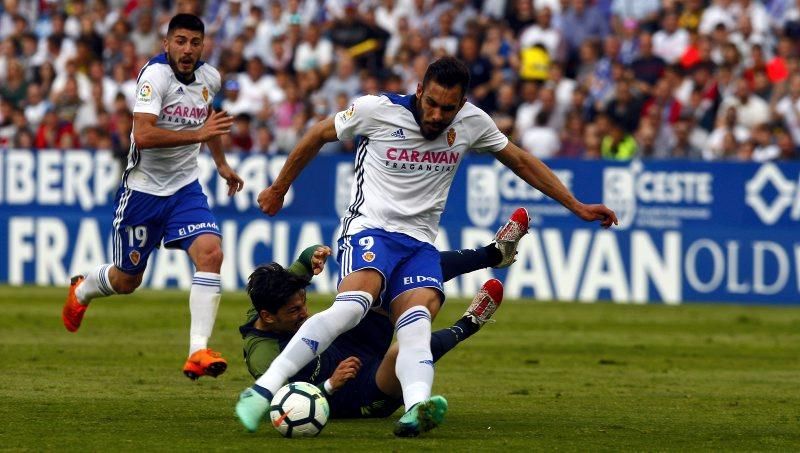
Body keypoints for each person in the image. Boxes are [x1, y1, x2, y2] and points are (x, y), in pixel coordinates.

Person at [238, 56, 617, 437]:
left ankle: (417, 408)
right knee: (353, 307)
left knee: (416, 323)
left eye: (447, 108)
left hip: (419, 243)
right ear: (419, 90)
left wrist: (577, 205)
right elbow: (318, 134)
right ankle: (263, 390)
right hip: (371, 229)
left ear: (462, 103)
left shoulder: (472, 122)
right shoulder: (377, 110)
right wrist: (278, 188)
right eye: (431, 103)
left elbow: (519, 160)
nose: (436, 115)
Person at [61, 14, 244, 381]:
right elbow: (142, 135)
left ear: (203, 46)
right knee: (128, 280)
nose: (187, 49)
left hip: (185, 188)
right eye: (180, 41)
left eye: (194, 42)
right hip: (142, 191)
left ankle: (197, 351)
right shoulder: (154, 77)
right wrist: (198, 135)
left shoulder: (210, 78)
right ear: (166, 44)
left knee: (211, 253)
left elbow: (207, 121)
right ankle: (82, 290)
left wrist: (221, 163)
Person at [242, 221, 522, 419]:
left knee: (399, 274)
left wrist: (313, 254)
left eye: (302, 304)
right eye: (294, 312)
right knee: (402, 351)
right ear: (267, 317)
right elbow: (284, 405)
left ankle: (493, 254)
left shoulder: (274, 298)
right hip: (354, 393)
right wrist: (330, 385)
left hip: (347, 344)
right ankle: (468, 324)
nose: (303, 313)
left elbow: (301, 266)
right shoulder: (263, 356)